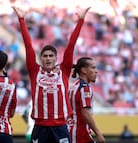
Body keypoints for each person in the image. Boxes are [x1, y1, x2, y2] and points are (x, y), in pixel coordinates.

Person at [12, 5, 90, 143]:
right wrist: (21, 19)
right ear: (41, 58)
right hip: (39, 127)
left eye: (50, 56)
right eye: (45, 56)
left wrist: (80, 21)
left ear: (56, 58)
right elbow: (28, 46)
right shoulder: (35, 71)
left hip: (60, 127)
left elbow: (71, 45)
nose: (47, 58)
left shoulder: (64, 70)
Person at [68, 57, 105, 143]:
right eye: (93, 67)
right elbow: (85, 113)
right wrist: (98, 133)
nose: (96, 71)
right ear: (84, 70)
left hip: (70, 131)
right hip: (80, 134)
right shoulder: (85, 88)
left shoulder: (73, 85)